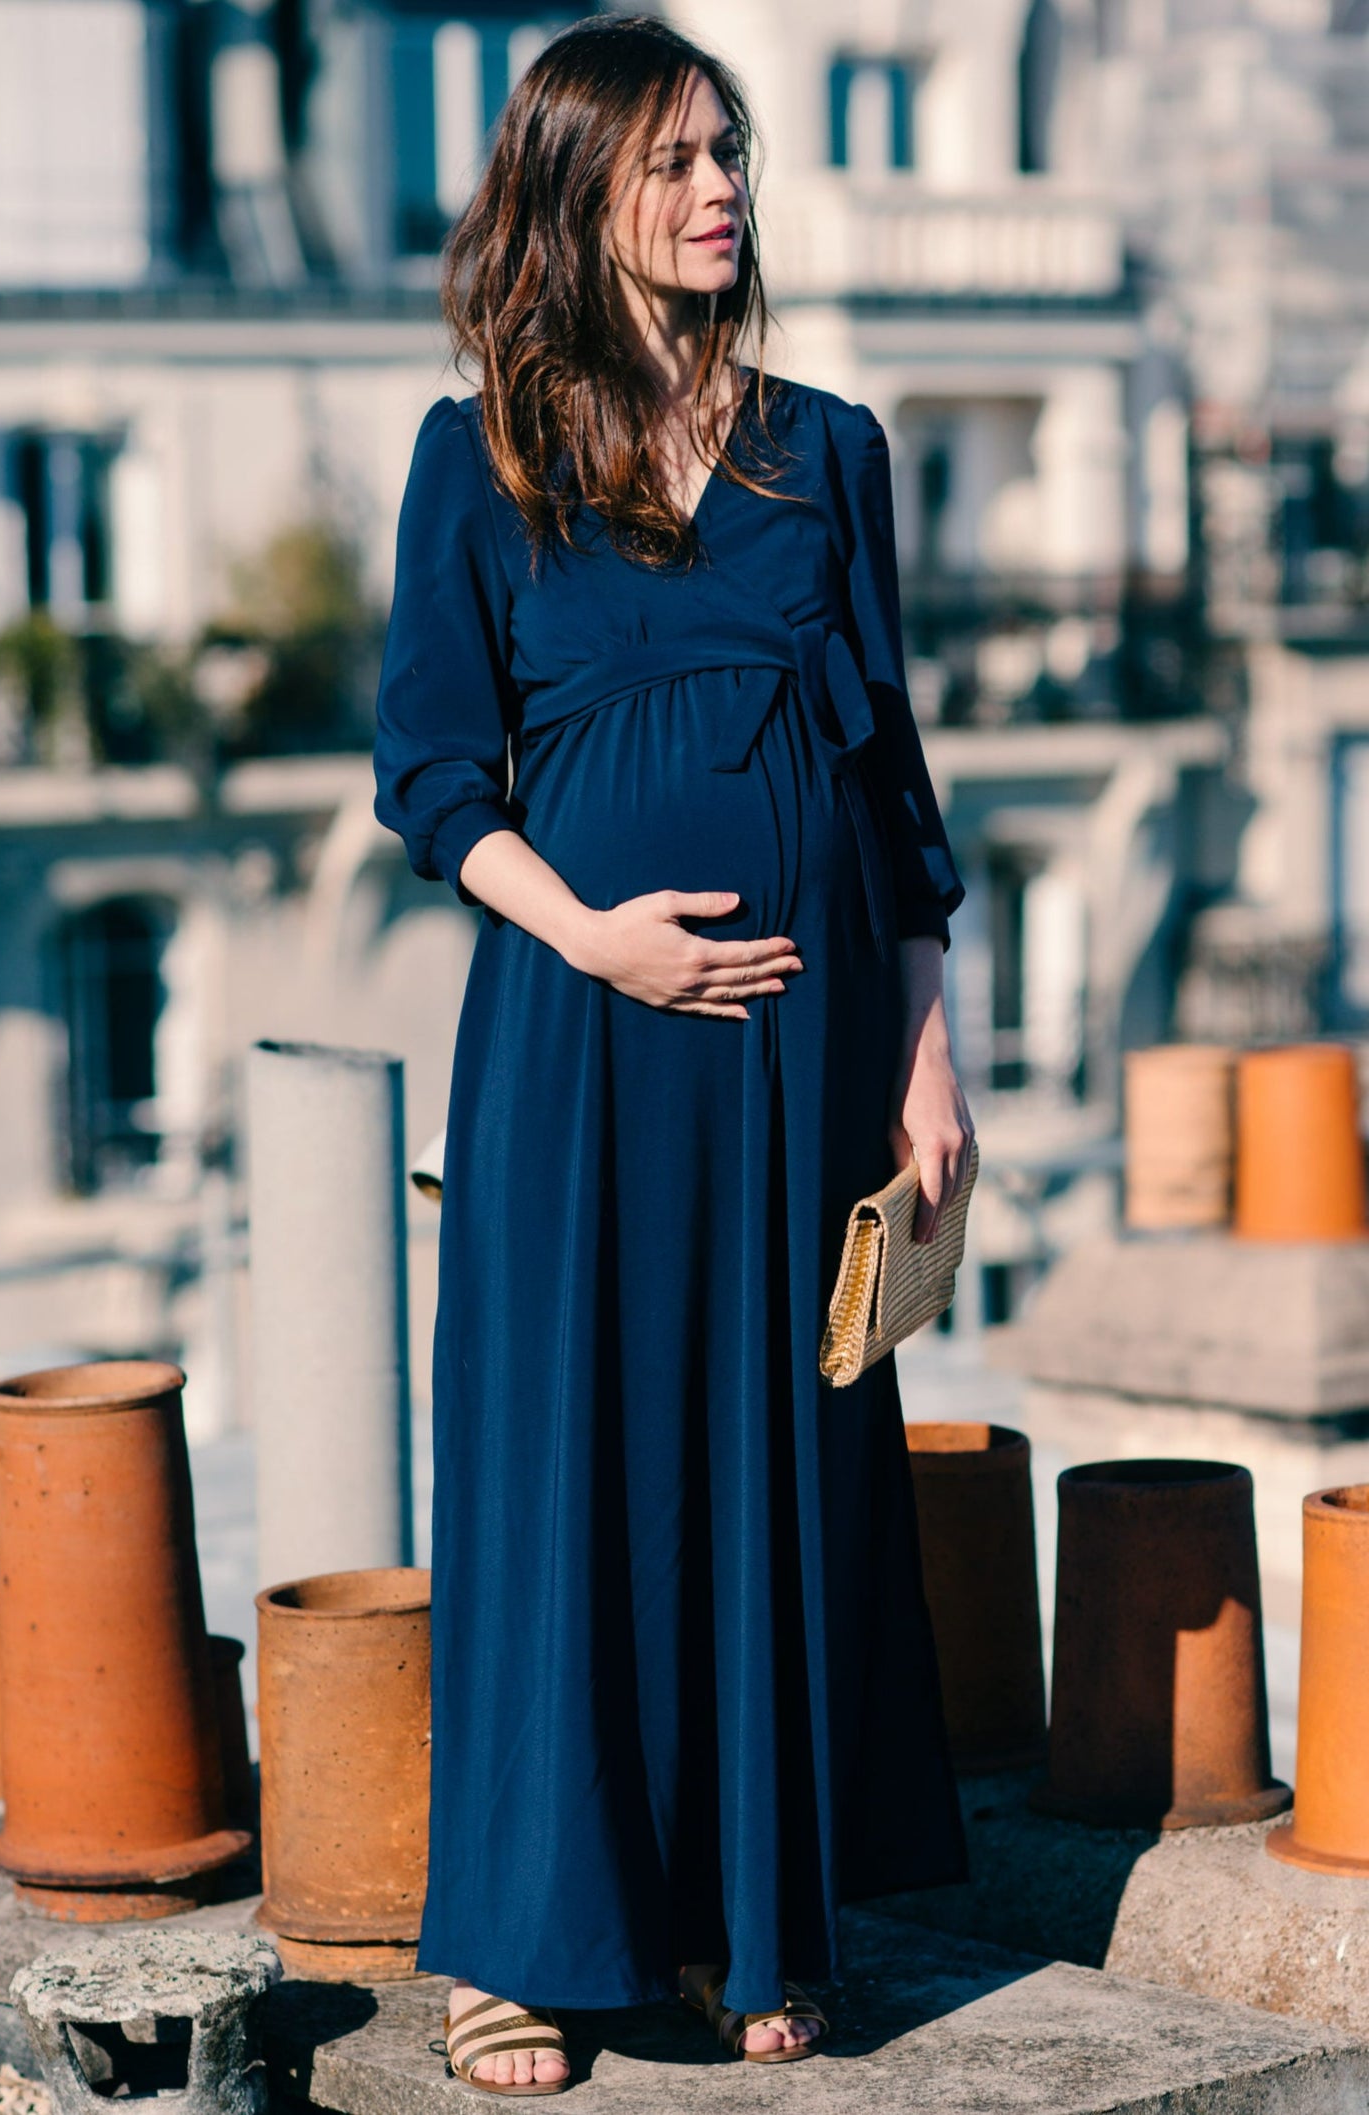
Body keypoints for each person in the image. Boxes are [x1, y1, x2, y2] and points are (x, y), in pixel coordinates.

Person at [372, 14, 974, 2097]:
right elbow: (438, 778)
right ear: (576, 194)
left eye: (729, 152)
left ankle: (755, 1915)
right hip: (576, 1043)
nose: (722, 188)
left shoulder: (835, 454)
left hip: (802, 1068)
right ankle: (515, 1944)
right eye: (672, 162)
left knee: (772, 1466)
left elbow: (895, 798)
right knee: (565, 1461)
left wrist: (930, 1067)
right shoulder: (483, 456)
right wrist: (598, 939)